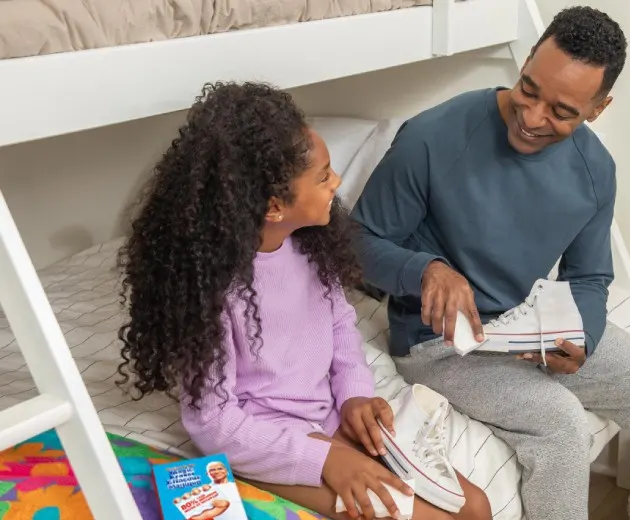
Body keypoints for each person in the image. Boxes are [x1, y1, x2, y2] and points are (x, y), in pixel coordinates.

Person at [351, 6, 630, 520]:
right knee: (559, 421)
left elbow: (589, 277)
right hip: (439, 344)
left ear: (598, 108)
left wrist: (580, 337)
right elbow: (359, 240)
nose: (533, 117)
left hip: (528, 330)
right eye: (528, 89)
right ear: (526, 65)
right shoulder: (431, 136)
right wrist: (427, 268)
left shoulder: (595, 171)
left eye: (562, 111)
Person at [115, 81, 491, 520]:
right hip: (269, 445)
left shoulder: (311, 246)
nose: (337, 182)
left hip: (330, 422)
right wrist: (328, 459)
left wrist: (353, 396)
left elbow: (340, 329)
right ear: (275, 205)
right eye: (322, 175)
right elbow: (213, 422)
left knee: (475, 506)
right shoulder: (213, 290)